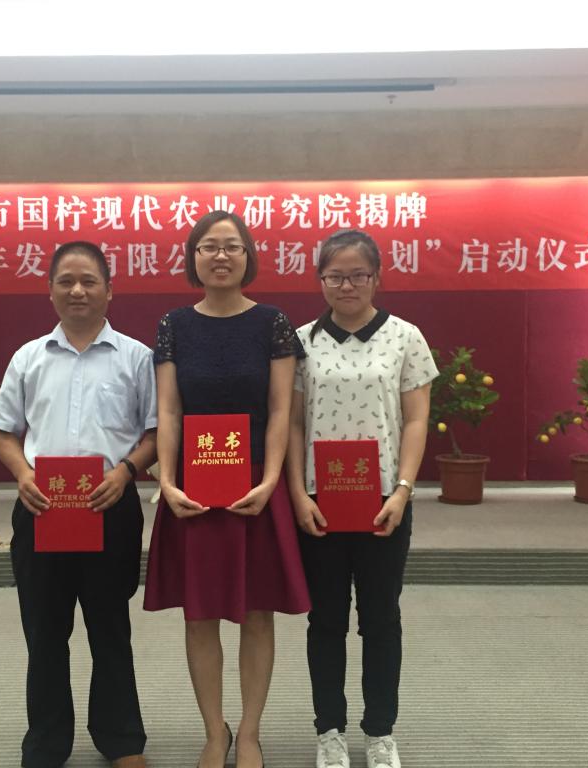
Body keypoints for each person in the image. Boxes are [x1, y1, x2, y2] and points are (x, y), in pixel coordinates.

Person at [143, 211, 310, 768]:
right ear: (193, 258)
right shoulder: (173, 325)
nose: (220, 256)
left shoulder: (272, 323)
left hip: (257, 485)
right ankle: (215, 732)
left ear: (248, 257)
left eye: (232, 246)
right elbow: (169, 410)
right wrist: (167, 482)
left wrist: (271, 480)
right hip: (193, 487)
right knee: (199, 614)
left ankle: (252, 733)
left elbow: (282, 410)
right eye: (209, 247)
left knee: (257, 612)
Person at [0, 241, 157, 768]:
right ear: (51, 291)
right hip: (43, 509)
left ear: (109, 289)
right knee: (44, 632)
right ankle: (46, 743)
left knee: (111, 629)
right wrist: (23, 474)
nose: (77, 290)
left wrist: (126, 471)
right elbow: (3, 430)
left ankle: (121, 740)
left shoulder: (136, 357)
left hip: (110, 507)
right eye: (66, 281)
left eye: (88, 281)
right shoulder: (28, 357)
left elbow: (155, 432)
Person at [285, 229, 437, 768]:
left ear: (376, 277)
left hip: (383, 504)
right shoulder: (300, 342)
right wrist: (297, 494)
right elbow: (292, 422)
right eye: (335, 276)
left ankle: (379, 731)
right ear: (320, 279)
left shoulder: (405, 337)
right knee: (325, 620)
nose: (346, 285)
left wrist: (404, 490)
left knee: (380, 619)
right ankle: (328, 730)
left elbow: (416, 419)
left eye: (357, 275)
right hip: (319, 504)